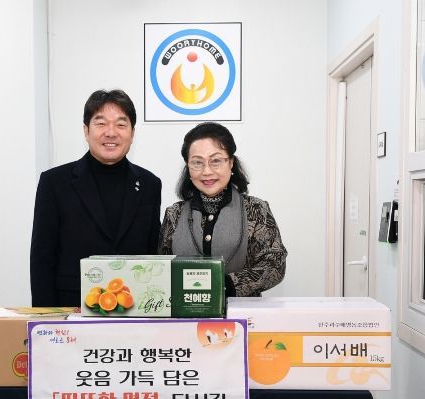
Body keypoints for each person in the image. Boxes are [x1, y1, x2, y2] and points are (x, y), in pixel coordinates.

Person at [30, 89, 162, 307]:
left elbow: (152, 254)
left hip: (134, 305)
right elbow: (42, 257)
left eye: (121, 124)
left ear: (132, 133)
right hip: (72, 306)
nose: (111, 132)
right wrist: (47, 316)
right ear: (86, 130)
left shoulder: (149, 184)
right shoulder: (54, 182)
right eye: (101, 123)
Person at [158, 122, 286, 297]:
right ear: (188, 167)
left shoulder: (256, 209)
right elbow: (162, 268)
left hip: (241, 311)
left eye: (216, 161)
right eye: (197, 163)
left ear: (231, 163)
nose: (207, 171)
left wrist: (226, 285)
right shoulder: (174, 214)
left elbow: (275, 265)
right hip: (185, 310)